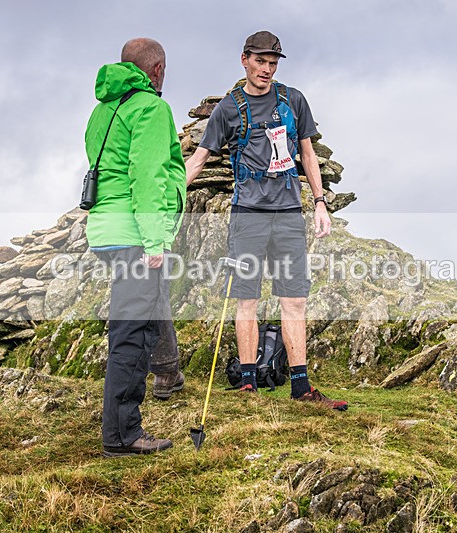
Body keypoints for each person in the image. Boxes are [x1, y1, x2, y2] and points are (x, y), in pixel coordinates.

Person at [185, 31, 347, 411]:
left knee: (294, 300)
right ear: (244, 60)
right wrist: (166, 197)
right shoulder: (228, 108)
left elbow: (307, 154)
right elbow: (198, 159)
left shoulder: (293, 101)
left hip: (290, 215)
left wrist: (320, 202)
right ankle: (247, 383)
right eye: (260, 62)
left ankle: (301, 387)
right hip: (248, 218)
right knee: (247, 300)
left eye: (273, 63)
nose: (267, 70)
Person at [85, 38, 186, 456]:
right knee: (131, 336)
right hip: (135, 234)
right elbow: (147, 177)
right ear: (157, 69)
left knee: (137, 321)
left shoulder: (103, 109)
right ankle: (123, 436)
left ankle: (167, 373)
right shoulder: (151, 108)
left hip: (106, 232)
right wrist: (155, 240)